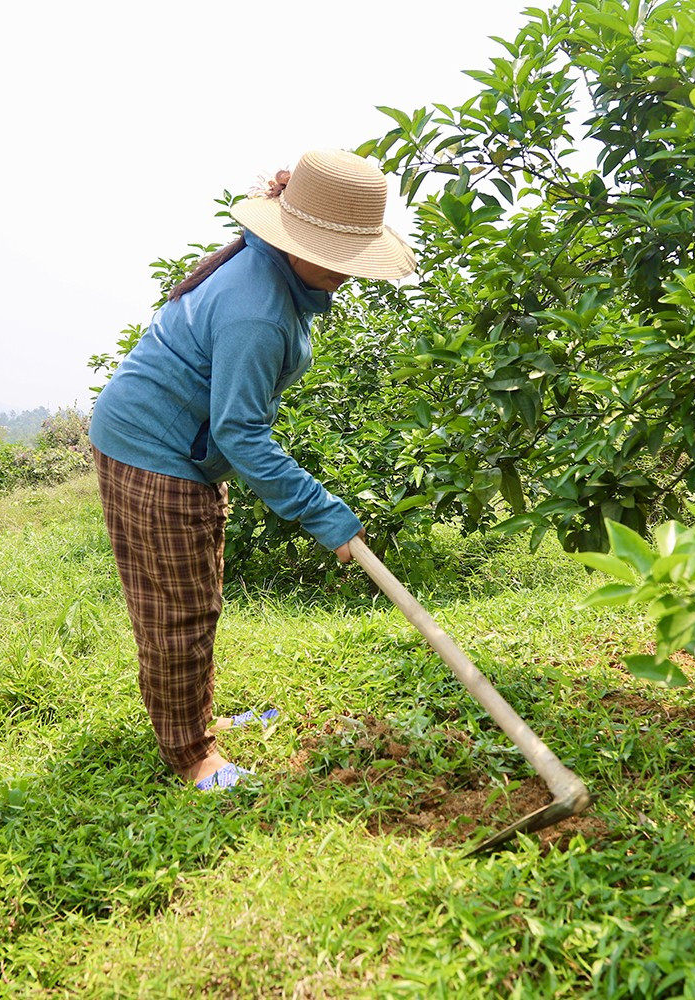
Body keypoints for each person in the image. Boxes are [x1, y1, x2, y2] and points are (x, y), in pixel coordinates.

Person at [88, 148, 416, 790]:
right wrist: (326, 515)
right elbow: (241, 432)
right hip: (153, 452)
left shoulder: (272, 276)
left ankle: (199, 716)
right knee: (175, 607)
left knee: (199, 593)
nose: (348, 275)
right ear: (298, 242)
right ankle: (190, 756)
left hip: (184, 452)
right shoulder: (257, 311)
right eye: (337, 257)